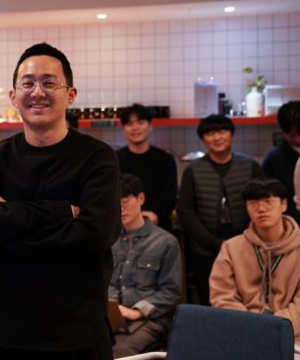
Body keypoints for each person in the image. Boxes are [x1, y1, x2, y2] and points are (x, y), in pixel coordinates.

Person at [0, 42, 121, 359]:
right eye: (28, 83)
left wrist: (7, 223)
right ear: (13, 96)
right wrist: (61, 212)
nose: (37, 92)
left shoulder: (97, 158)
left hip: (76, 333)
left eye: (49, 83)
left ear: (70, 94)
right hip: (1, 332)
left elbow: (95, 234)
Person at [177, 114, 262, 305]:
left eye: (222, 131)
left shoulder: (250, 166)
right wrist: (214, 243)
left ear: (231, 134)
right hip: (204, 250)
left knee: (248, 299)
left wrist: (245, 239)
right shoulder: (193, 170)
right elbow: (186, 211)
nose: (217, 137)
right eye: (210, 133)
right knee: (209, 301)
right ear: (203, 139)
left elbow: (260, 204)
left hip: (247, 246)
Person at [210, 178, 300, 342]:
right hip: (242, 333)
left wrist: (276, 329)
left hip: (293, 335)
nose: (261, 209)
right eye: (253, 203)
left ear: (284, 205)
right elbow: (222, 296)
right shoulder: (231, 248)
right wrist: (251, 327)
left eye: (268, 202)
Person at [109, 173, 181, 358]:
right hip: (111, 315)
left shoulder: (165, 242)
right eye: (115, 202)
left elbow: (171, 292)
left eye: (124, 201)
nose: (120, 208)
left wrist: (138, 311)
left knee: (119, 352)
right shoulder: (110, 239)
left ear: (141, 199)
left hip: (149, 318)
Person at [116, 104, 177, 231]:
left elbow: (170, 194)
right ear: (123, 128)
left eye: (140, 122)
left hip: (159, 227)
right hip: (123, 228)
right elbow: (112, 193)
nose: (135, 128)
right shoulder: (114, 159)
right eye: (129, 124)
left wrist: (154, 214)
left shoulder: (165, 159)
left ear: (150, 126)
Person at [262, 101, 300, 223]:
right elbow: (268, 199)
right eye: (292, 135)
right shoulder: (273, 160)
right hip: (289, 225)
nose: (298, 139)